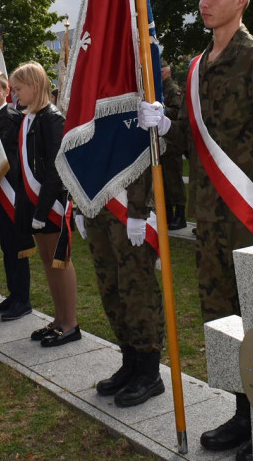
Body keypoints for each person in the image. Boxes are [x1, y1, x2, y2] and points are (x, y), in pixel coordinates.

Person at [139, 0, 253, 457]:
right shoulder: (196, 66)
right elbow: (189, 138)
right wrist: (164, 125)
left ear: (239, 1)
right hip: (211, 220)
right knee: (223, 319)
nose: (204, 3)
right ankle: (242, 414)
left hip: (251, 219)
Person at [78, 168, 165, 408]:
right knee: (110, 288)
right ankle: (130, 362)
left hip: (127, 204)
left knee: (136, 288)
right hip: (97, 202)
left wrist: (138, 210)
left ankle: (149, 371)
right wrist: (78, 203)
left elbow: (140, 150)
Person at [10, 62, 80, 347]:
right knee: (47, 263)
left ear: (35, 86)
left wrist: (41, 209)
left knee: (59, 262)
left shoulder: (52, 119)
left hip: (50, 203)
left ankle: (70, 323)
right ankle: (58, 319)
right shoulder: (29, 117)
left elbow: (55, 168)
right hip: (35, 203)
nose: (14, 94)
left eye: (18, 88)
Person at [0, 70, 33, 321]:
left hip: (10, 191)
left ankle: (22, 299)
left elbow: (6, 158)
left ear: (6, 92)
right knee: (6, 246)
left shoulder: (10, 117)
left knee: (16, 247)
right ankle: (14, 294)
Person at [160, 60, 187, 230]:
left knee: (174, 180)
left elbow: (179, 112)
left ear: (167, 71)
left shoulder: (173, 89)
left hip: (172, 142)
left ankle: (180, 216)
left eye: (159, 70)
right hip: (160, 142)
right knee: (163, 182)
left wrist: (163, 111)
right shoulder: (158, 88)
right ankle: (168, 214)